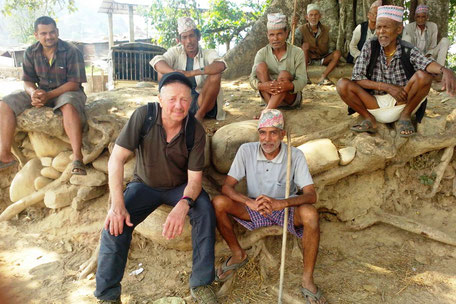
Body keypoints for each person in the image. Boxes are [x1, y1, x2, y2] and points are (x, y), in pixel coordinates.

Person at [94, 72, 217, 304]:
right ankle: (107, 295)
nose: (178, 106)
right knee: (114, 226)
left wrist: (183, 205)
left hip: (179, 188)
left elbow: (194, 181)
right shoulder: (144, 116)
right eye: (172, 99)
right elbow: (116, 159)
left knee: (205, 211)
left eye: (184, 99)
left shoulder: (195, 130)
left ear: (191, 101)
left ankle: (201, 283)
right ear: (160, 99)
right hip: (144, 186)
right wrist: (117, 205)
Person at [212, 109, 327, 304]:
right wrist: (249, 202)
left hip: (285, 210)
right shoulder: (247, 151)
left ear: (282, 135)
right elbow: (227, 187)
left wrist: (282, 203)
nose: (267, 139)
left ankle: (307, 280)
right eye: (263, 133)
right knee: (218, 202)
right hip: (255, 208)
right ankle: (238, 254)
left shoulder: (295, 155)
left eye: (273, 132)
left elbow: (311, 195)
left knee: (310, 214)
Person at [336, 5, 456, 137]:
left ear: (398, 29)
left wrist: (444, 70)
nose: (381, 31)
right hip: (373, 103)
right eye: (378, 27)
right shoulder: (370, 45)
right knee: (342, 84)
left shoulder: (407, 48)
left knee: (424, 77)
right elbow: (357, 78)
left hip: (402, 102)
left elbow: (426, 64)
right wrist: (387, 87)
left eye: (385, 27)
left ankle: (405, 117)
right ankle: (369, 119)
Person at [0, 16, 87, 174]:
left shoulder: (71, 51)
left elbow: (74, 83)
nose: (49, 36)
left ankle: (77, 158)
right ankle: (4, 155)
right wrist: (34, 93)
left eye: (52, 32)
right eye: (44, 33)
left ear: (57, 32)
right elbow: (27, 81)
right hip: (43, 90)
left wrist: (49, 95)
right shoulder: (30, 52)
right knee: (5, 103)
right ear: (36, 35)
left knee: (68, 105)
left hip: (68, 91)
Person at [150, 17, 226, 121]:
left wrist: (190, 73)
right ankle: (170, 109)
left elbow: (221, 65)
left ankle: (200, 115)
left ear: (198, 37)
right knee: (162, 72)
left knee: (216, 74)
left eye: (192, 36)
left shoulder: (208, 53)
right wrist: (176, 73)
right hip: (181, 100)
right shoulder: (175, 52)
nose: (189, 41)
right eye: (184, 37)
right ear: (179, 40)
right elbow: (157, 62)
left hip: (203, 101)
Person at [249, 13, 307, 119]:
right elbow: (252, 79)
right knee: (260, 67)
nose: (275, 38)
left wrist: (288, 86)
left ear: (286, 33)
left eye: (279, 34)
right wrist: (263, 86)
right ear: (267, 35)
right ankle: (272, 107)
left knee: (284, 75)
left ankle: (266, 112)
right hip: (268, 96)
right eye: (272, 35)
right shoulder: (262, 53)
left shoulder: (297, 52)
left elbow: (303, 80)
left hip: (290, 98)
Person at [294, 4, 342, 85]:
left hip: (322, 59)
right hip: (307, 59)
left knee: (337, 53)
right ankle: (304, 76)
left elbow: (331, 48)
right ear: (307, 17)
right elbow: (293, 45)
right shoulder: (301, 30)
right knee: (305, 46)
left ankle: (323, 77)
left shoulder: (327, 30)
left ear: (320, 16)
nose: (313, 17)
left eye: (316, 15)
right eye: (311, 15)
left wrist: (328, 57)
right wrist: (293, 28)